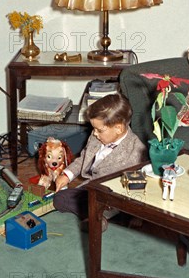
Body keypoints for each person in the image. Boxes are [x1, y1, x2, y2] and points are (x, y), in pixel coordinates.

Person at [53, 93, 147, 229]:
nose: (95, 133)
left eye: (99, 130)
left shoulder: (136, 151)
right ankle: (97, 216)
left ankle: (101, 216)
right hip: (91, 189)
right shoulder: (96, 135)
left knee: (115, 209)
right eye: (94, 129)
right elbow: (84, 157)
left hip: (114, 198)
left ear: (119, 128)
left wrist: (137, 216)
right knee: (60, 198)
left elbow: (138, 185)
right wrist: (67, 175)